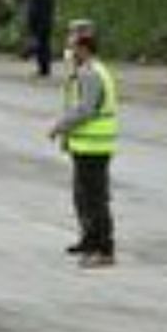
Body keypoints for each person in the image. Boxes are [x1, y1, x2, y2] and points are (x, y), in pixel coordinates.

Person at [48, 23, 119, 269]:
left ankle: (104, 249)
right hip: (86, 145)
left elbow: (85, 109)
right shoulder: (85, 70)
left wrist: (60, 126)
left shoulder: (90, 72)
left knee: (95, 200)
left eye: (71, 45)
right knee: (82, 196)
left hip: (94, 146)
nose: (68, 50)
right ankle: (89, 240)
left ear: (83, 48)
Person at [25, 0, 56, 77]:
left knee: (41, 47)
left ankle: (44, 70)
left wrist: (35, 28)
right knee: (43, 46)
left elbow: (36, 14)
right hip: (44, 25)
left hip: (41, 25)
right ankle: (43, 68)